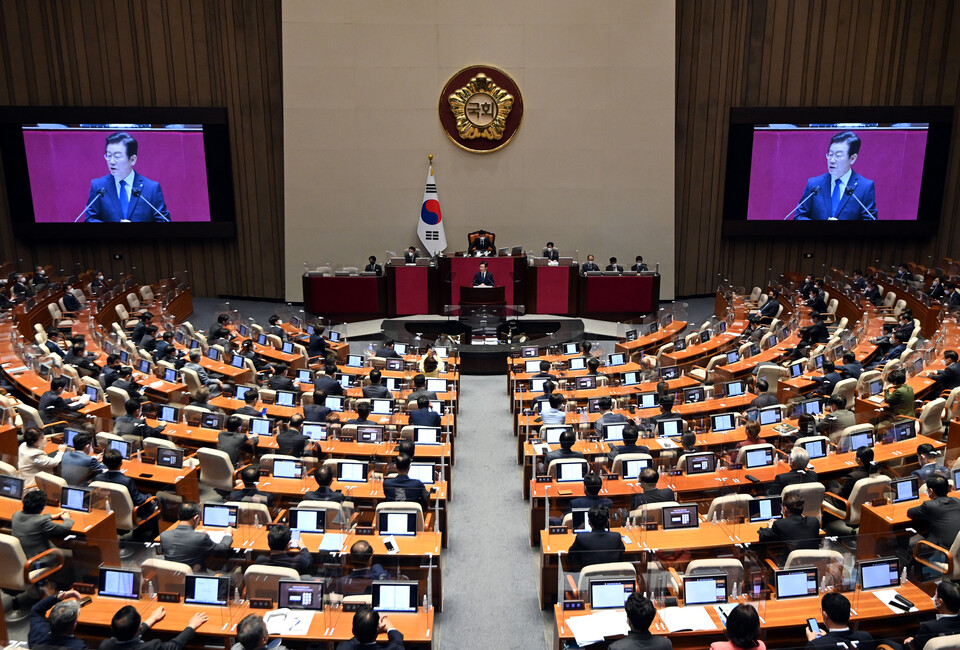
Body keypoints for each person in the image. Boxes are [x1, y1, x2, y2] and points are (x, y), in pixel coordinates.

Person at [85, 132, 170, 222]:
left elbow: (163, 220)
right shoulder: (99, 186)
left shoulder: (151, 188)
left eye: (117, 156)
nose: (112, 161)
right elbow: (90, 219)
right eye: (109, 156)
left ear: (132, 160)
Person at [794, 131, 877, 221]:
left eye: (838, 155)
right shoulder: (814, 184)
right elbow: (799, 217)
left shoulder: (864, 187)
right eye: (830, 154)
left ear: (852, 158)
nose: (832, 160)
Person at [886, 580, 960, 650]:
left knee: (881, 641)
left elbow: (910, 648)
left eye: (935, 595)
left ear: (939, 602)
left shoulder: (929, 628)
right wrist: (916, 640)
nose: (933, 597)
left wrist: (910, 643)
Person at [160, 502, 233, 571]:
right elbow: (222, 549)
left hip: (170, 576)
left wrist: (194, 533)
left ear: (178, 516)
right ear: (196, 518)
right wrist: (228, 534)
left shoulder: (164, 535)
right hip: (194, 576)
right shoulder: (201, 538)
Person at [100, 605, 208, 650]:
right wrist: (192, 625)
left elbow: (132, 634)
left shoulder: (104, 645)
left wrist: (152, 619)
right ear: (139, 628)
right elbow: (174, 645)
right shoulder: (151, 647)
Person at [758, 492, 821, 566]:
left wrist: (770, 526)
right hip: (813, 561)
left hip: (793, 562)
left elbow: (763, 537)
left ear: (784, 509)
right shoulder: (814, 521)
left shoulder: (780, 524)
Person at [13, 487, 74, 562]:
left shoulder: (16, 515)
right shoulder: (42, 522)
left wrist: (50, 516)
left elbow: (33, 518)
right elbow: (65, 528)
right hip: (36, 561)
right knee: (69, 554)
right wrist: (67, 518)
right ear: (43, 507)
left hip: (19, 556)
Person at [907, 475, 960, 550]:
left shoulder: (929, 505)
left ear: (931, 491)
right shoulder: (957, 501)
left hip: (943, 552)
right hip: (957, 549)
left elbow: (910, 512)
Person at [99, 448, 156, 517]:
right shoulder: (126, 481)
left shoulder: (98, 478)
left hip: (107, 512)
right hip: (130, 514)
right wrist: (148, 496)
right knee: (154, 501)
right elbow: (138, 500)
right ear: (121, 463)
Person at [805, 592, 875, 648]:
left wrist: (811, 642)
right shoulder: (866, 637)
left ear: (825, 615)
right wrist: (827, 637)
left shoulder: (816, 645)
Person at [567, 505, 624, 570]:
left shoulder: (581, 538)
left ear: (589, 523)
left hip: (587, 576)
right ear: (607, 522)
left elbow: (571, 555)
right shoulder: (616, 537)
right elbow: (622, 551)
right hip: (610, 576)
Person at [336, 604, 404, 650]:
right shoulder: (395, 648)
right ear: (377, 631)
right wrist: (389, 627)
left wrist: (370, 627)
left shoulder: (342, 647)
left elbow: (353, 640)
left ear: (353, 630)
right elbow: (397, 641)